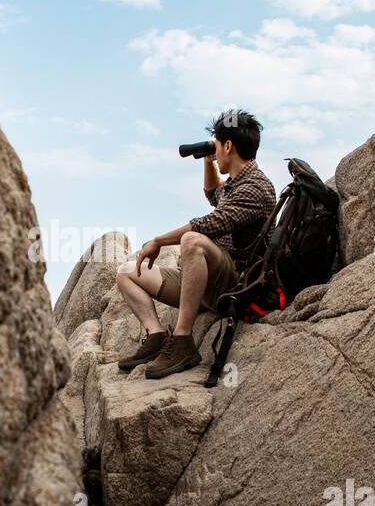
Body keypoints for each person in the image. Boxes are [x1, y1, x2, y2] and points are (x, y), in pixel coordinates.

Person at [115, 110, 276, 379]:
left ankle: (182, 342)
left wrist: (158, 241)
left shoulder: (256, 187)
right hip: (204, 283)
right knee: (126, 272)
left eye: (217, 144)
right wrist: (207, 160)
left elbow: (210, 224)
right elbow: (214, 194)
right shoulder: (235, 183)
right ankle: (156, 336)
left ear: (227, 146)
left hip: (234, 283)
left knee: (192, 241)